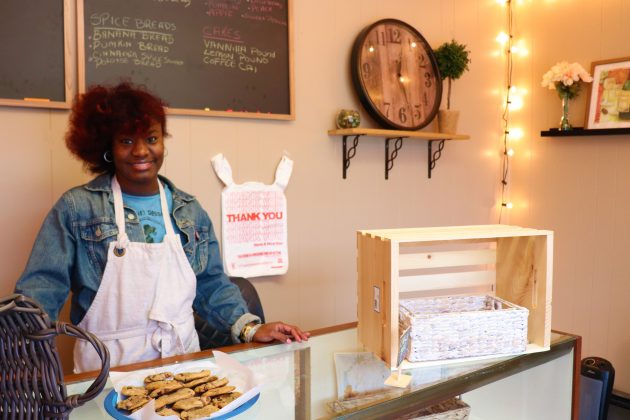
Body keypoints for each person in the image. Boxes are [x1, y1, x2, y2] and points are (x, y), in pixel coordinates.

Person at [15, 82, 309, 373]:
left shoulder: (189, 212)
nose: (142, 151)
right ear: (108, 148)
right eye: (127, 141)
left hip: (183, 365)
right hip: (106, 371)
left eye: (151, 138)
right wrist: (18, 358)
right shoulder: (77, 208)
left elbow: (212, 285)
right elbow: (40, 291)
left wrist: (250, 329)